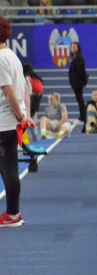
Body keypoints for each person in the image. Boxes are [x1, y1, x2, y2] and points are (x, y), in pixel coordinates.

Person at [0, 17, 35, 227]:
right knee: (8, 167)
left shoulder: (1, 58)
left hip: (4, 123)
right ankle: (12, 213)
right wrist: (26, 114)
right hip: (11, 122)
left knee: (9, 168)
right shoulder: (12, 56)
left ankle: (13, 215)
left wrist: (22, 116)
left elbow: (9, 92)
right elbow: (24, 90)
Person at [68, 41, 88, 130]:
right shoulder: (75, 57)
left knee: (80, 100)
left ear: (78, 48)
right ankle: (82, 117)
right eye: (72, 47)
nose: (73, 48)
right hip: (75, 82)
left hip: (78, 82)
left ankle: (83, 117)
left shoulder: (79, 57)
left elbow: (82, 70)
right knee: (79, 100)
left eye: (75, 46)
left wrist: (84, 81)